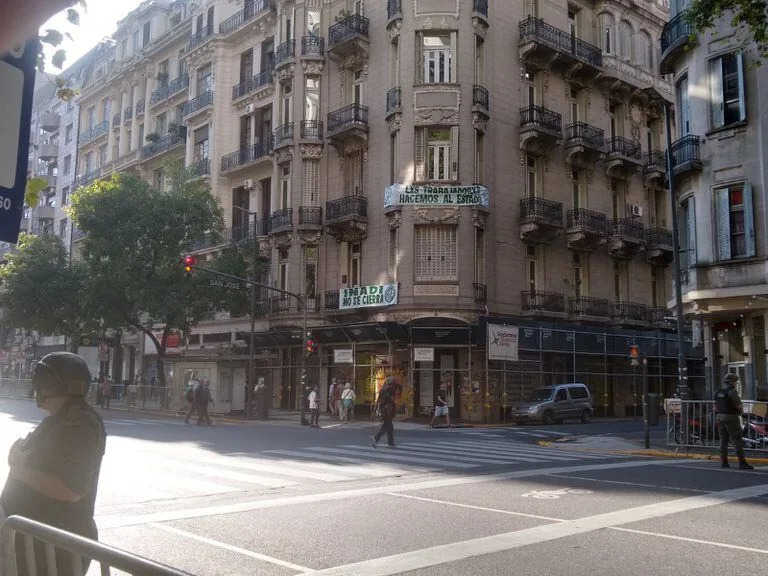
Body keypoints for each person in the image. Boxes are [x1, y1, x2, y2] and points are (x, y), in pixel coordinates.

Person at [0, 352, 106, 576]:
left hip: (55, 544)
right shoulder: (59, 420)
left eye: (44, 381)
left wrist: (19, 470)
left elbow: (71, 488)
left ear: (58, 385)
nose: (38, 388)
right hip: (37, 539)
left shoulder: (80, 425)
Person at [714, 373, 754, 470]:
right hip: (731, 418)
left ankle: (724, 462)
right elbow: (738, 405)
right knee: (737, 440)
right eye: (735, 382)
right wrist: (742, 413)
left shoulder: (718, 391)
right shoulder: (732, 392)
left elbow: (715, 406)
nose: (735, 383)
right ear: (731, 382)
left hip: (719, 417)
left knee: (723, 441)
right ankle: (742, 462)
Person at [372, 377, 397, 448]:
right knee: (386, 426)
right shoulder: (391, 388)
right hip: (388, 410)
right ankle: (376, 438)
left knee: (390, 426)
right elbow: (391, 400)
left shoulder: (382, 389)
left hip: (383, 409)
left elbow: (378, 400)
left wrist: (374, 411)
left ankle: (390, 442)